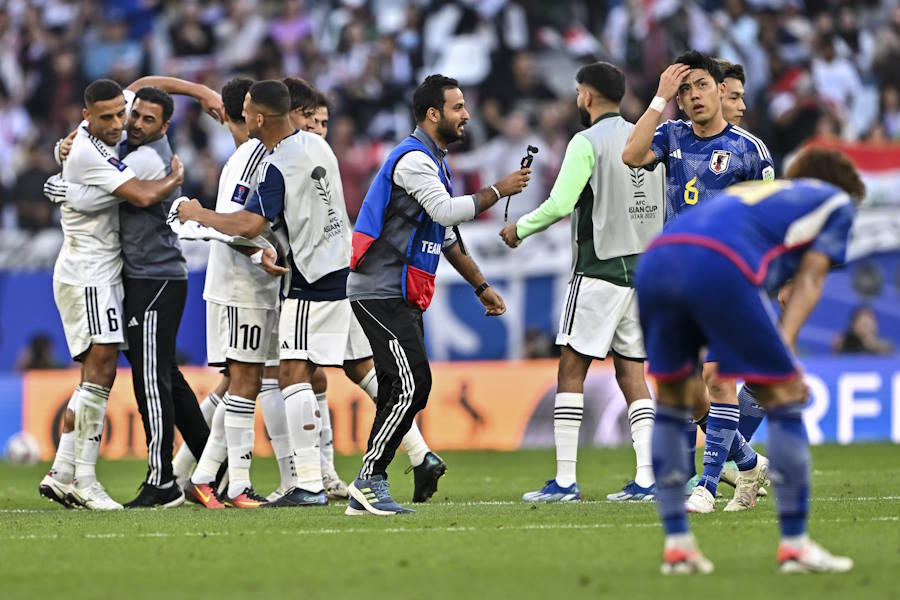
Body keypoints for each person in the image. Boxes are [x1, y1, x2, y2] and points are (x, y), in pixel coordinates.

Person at [637, 148, 864, 574]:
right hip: (719, 264)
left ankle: (678, 549)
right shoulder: (835, 202)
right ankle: (795, 545)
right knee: (786, 395)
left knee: (673, 401)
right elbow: (808, 280)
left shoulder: (750, 194)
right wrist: (785, 351)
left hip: (658, 259)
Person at [345, 74, 530, 516]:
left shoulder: (434, 162)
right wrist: (498, 190)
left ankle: (372, 482)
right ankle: (369, 480)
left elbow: (445, 235)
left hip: (401, 291)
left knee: (397, 386)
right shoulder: (411, 160)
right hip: (379, 290)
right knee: (414, 384)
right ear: (433, 114)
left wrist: (481, 286)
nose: (466, 115)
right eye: (458, 107)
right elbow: (448, 212)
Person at [179, 80, 352, 509]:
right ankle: (231, 480)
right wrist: (267, 251)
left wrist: (195, 212)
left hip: (300, 280)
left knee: (280, 377)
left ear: (257, 117)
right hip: (324, 271)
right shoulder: (317, 147)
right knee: (267, 378)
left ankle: (300, 481)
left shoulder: (272, 163)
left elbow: (246, 225)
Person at [47, 84, 219, 508]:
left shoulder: (138, 155)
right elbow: (142, 86)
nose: (125, 124)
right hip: (100, 273)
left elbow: (136, 192)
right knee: (130, 375)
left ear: (164, 125)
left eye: (139, 118)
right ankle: (77, 475)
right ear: (87, 114)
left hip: (145, 276)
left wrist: (65, 185)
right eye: (125, 115)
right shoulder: (100, 143)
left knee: (147, 378)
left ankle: (112, 475)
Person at [499, 62, 664, 503]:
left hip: (599, 270)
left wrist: (520, 228)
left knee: (571, 368)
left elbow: (559, 204)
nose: (576, 100)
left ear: (588, 96)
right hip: (643, 272)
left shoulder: (585, 141)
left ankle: (566, 480)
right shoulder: (648, 139)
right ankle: (647, 479)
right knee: (633, 372)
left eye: (577, 92)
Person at [622, 50, 774, 510]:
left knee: (717, 379)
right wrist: (658, 98)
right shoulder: (671, 135)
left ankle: (705, 486)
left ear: (718, 89)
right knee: (685, 389)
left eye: (702, 86)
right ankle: (747, 465)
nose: (694, 96)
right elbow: (631, 155)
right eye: (685, 90)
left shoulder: (749, 150)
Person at [284, 77, 446, 503]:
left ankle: (303, 481)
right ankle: (418, 452)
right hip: (346, 271)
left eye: (322, 122)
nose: (319, 129)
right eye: (314, 121)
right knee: (359, 369)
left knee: (288, 369)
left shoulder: (298, 153)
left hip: (318, 276)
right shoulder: (313, 152)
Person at [179, 77, 289, 509]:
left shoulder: (271, 154)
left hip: (261, 284)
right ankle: (231, 484)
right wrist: (260, 250)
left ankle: (205, 477)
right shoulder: (248, 157)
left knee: (252, 379)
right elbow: (228, 223)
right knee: (245, 380)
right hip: (239, 286)